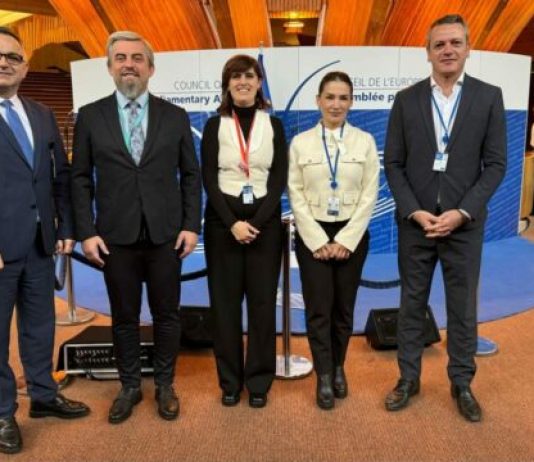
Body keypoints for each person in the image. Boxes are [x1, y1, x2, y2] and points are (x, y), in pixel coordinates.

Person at [71, 31, 201, 423]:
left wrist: (190, 225)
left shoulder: (175, 116)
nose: (129, 64)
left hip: (165, 236)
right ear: (110, 67)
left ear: (151, 68)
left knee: (167, 315)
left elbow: (190, 175)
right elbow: (80, 178)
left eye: (137, 58)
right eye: (121, 58)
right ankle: (129, 386)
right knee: (124, 316)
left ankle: (165, 385)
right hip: (115, 237)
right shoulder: (90, 116)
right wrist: (86, 231)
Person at [384, 14, 506, 422]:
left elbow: (496, 165)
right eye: (439, 44)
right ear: (428, 52)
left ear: (468, 48)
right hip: (415, 225)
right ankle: (408, 379)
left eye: (455, 43)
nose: (447, 50)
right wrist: (414, 211)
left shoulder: (489, 97)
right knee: (410, 305)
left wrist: (462, 212)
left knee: (462, 309)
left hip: (464, 226)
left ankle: (462, 383)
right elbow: (393, 164)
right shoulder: (407, 99)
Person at [0, 27, 89, 454]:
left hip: (40, 243)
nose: (4, 63)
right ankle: (2, 413)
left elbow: (60, 177)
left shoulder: (41, 113)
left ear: (25, 66)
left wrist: (66, 228)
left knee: (39, 326)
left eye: (13, 57)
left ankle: (42, 394)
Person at [288, 71, 379, 410]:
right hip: (312, 235)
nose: (336, 104)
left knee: (343, 309)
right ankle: (323, 375)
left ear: (351, 102)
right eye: (330, 97)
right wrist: (316, 240)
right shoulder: (300, 143)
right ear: (318, 101)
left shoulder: (365, 141)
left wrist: (346, 240)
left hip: (351, 236)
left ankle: (339, 366)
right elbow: (295, 193)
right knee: (318, 310)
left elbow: (370, 194)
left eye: (343, 98)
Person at [201, 54, 287, 408]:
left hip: (265, 224)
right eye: (235, 76)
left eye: (249, 76)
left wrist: (257, 222)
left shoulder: (274, 125)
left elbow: (278, 179)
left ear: (259, 82)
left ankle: (259, 381)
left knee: (263, 305)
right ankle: (230, 382)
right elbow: (208, 178)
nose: (243, 82)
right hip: (223, 225)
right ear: (227, 84)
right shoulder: (214, 125)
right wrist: (233, 223)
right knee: (225, 307)